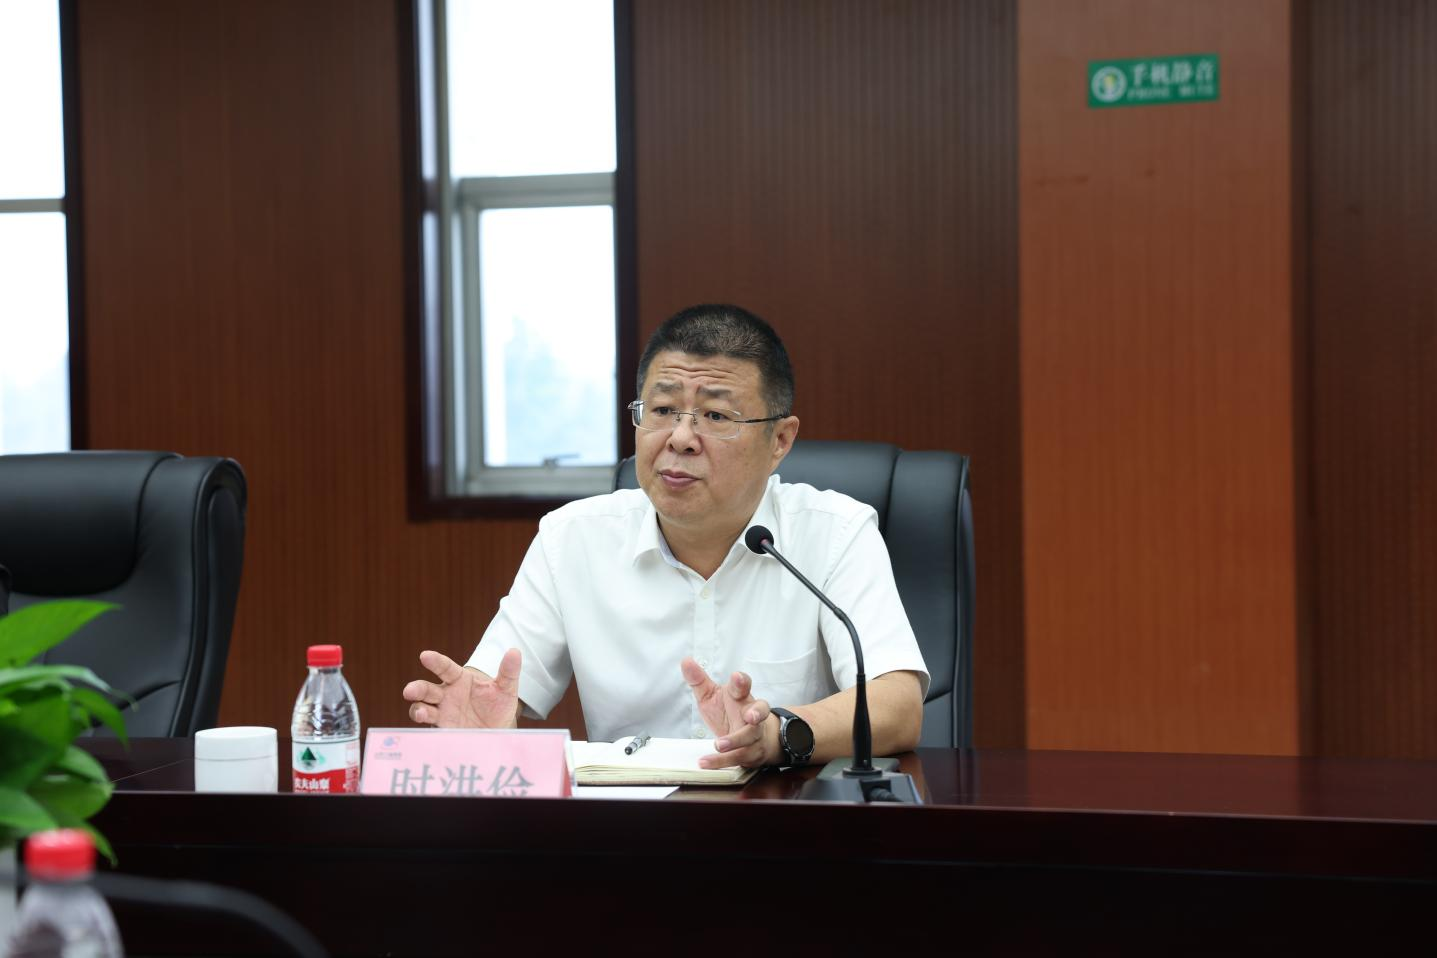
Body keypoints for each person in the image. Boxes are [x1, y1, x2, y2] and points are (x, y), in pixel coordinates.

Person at [402, 304, 927, 769]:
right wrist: (481, 727)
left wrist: (774, 735)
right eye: (661, 411)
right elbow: (494, 693)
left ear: (780, 440)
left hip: (787, 826)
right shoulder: (573, 539)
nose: (680, 438)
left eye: (715, 415)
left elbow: (898, 706)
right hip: (631, 833)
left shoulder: (834, 533)